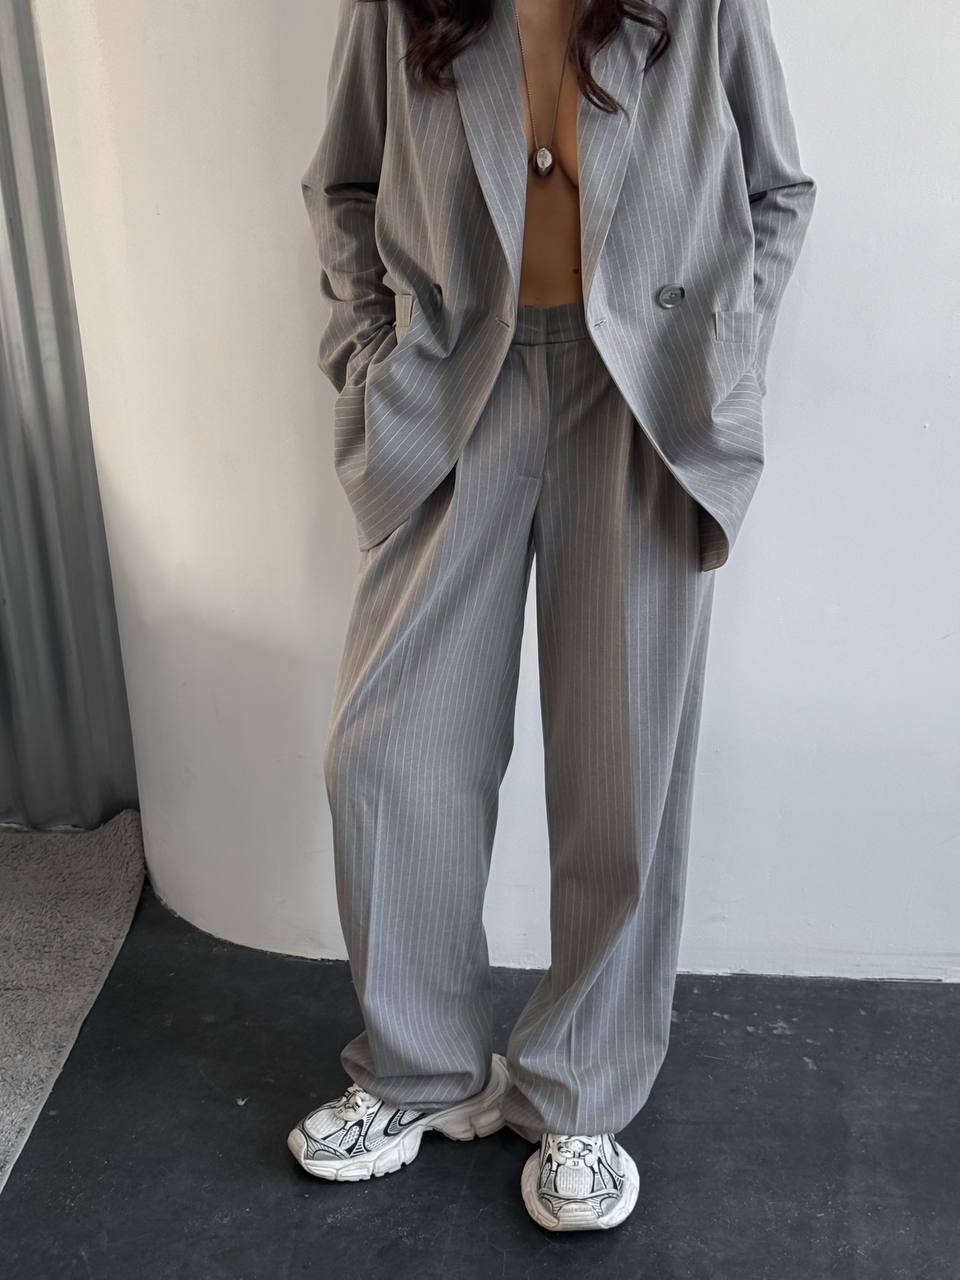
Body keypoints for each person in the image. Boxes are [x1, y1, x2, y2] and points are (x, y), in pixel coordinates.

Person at [287, 0, 816, 1232]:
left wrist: (722, 355)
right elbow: (344, 186)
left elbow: (779, 189)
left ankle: (579, 1093)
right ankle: (422, 1068)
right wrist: (377, 348)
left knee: (617, 768)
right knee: (386, 754)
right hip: (455, 384)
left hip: (637, 393)